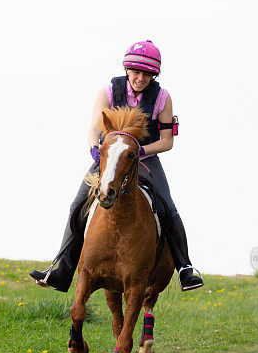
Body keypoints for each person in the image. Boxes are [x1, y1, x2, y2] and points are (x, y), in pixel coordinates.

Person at [29, 40, 203, 292]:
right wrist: (94, 149)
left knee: (168, 207)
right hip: (108, 157)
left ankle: (185, 268)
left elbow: (167, 142)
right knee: (78, 204)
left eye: (147, 74)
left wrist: (141, 150)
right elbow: (94, 127)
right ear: (127, 70)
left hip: (145, 159)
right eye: (136, 72)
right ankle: (61, 267)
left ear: (153, 75)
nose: (140, 78)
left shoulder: (162, 98)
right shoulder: (109, 91)